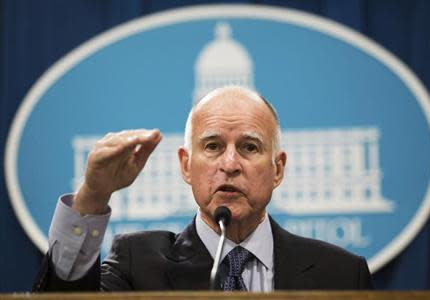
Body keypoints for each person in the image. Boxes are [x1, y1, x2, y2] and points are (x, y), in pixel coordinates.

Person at [33, 86, 373, 292]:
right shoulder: (138, 264)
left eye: (249, 147)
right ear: (185, 166)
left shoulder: (341, 273)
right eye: (212, 146)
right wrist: (93, 197)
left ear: (278, 169)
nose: (230, 163)